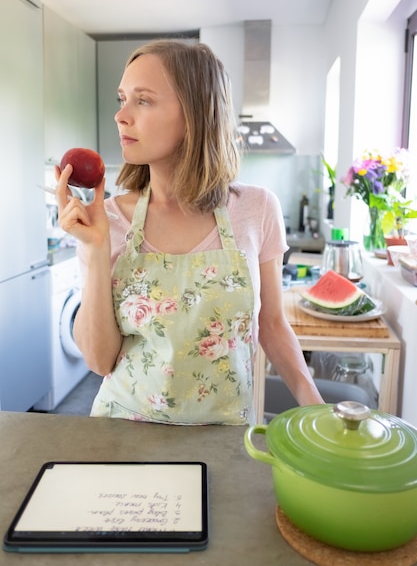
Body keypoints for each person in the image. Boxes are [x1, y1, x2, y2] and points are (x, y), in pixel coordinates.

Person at [56, 39, 324, 425]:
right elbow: (99, 361)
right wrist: (96, 250)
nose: (120, 115)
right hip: (124, 436)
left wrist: (317, 409)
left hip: (226, 438)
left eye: (143, 100)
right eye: (122, 98)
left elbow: (272, 324)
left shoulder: (257, 209)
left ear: (195, 115)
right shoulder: (109, 220)